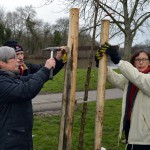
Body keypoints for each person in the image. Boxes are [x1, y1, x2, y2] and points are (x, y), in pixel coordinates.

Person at [95, 43, 150, 150]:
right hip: (131, 133)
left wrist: (118, 61)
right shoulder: (131, 79)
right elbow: (115, 79)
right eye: (137, 60)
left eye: (144, 59)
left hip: (146, 138)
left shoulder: (145, 79)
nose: (141, 62)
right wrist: (101, 65)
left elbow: (139, 79)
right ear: (134, 62)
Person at [0, 46, 57, 150]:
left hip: (18, 136)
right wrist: (45, 69)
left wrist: (56, 59)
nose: (18, 60)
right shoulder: (2, 82)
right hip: (11, 141)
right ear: (2, 63)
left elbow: (33, 79)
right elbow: (26, 90)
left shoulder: (11, 77)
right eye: (13, 58)